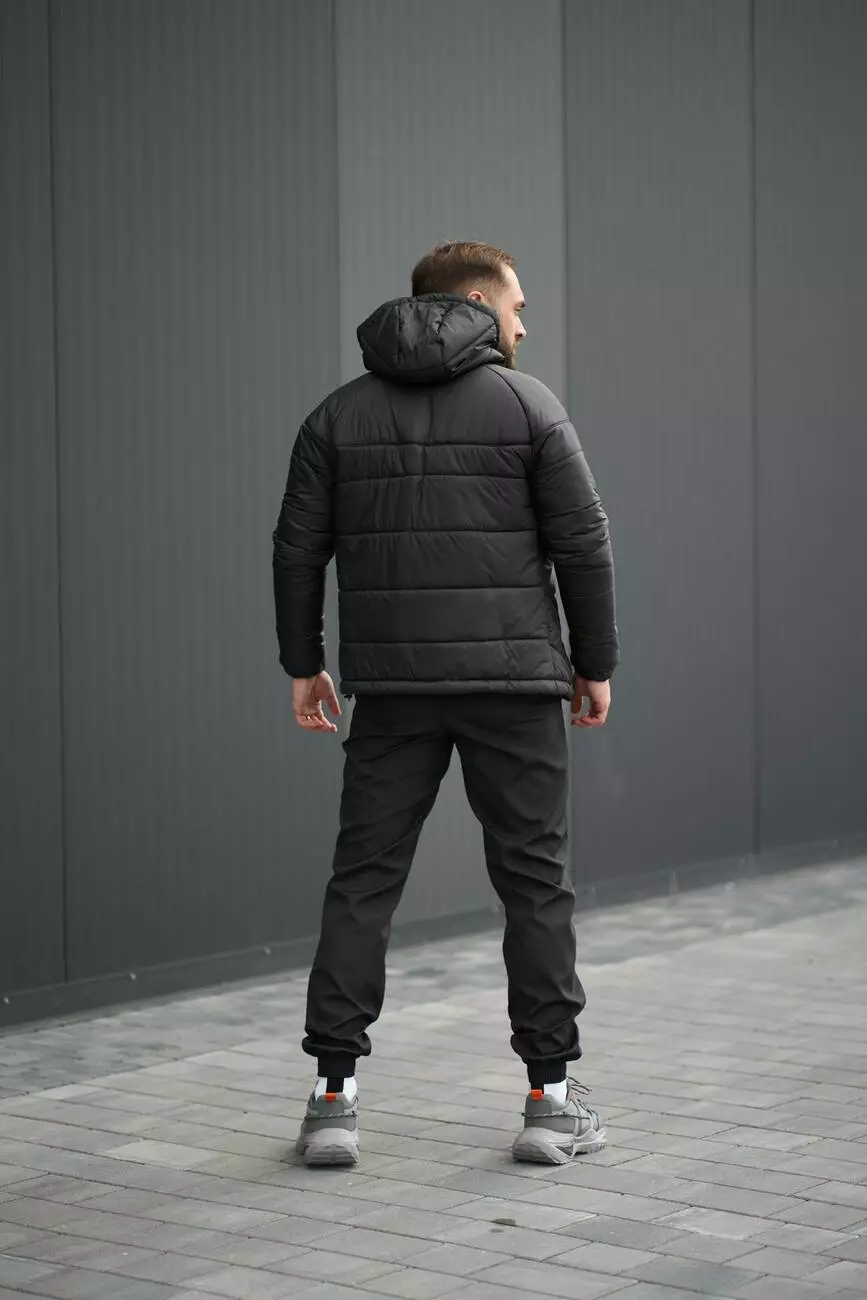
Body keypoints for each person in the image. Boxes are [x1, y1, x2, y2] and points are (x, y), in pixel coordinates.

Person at [273, 241, 618, 1167]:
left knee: (363, 881)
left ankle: (332, 1100)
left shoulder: (337, 415)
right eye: (516, 307)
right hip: (514, 686)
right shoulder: (528, 405)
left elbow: (296, 548)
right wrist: (594, 663)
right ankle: (549, 1102)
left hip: (392, 691)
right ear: (473, 300)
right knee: (533, 882)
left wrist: (304, 664)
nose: (523, 326)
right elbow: (583, 543)